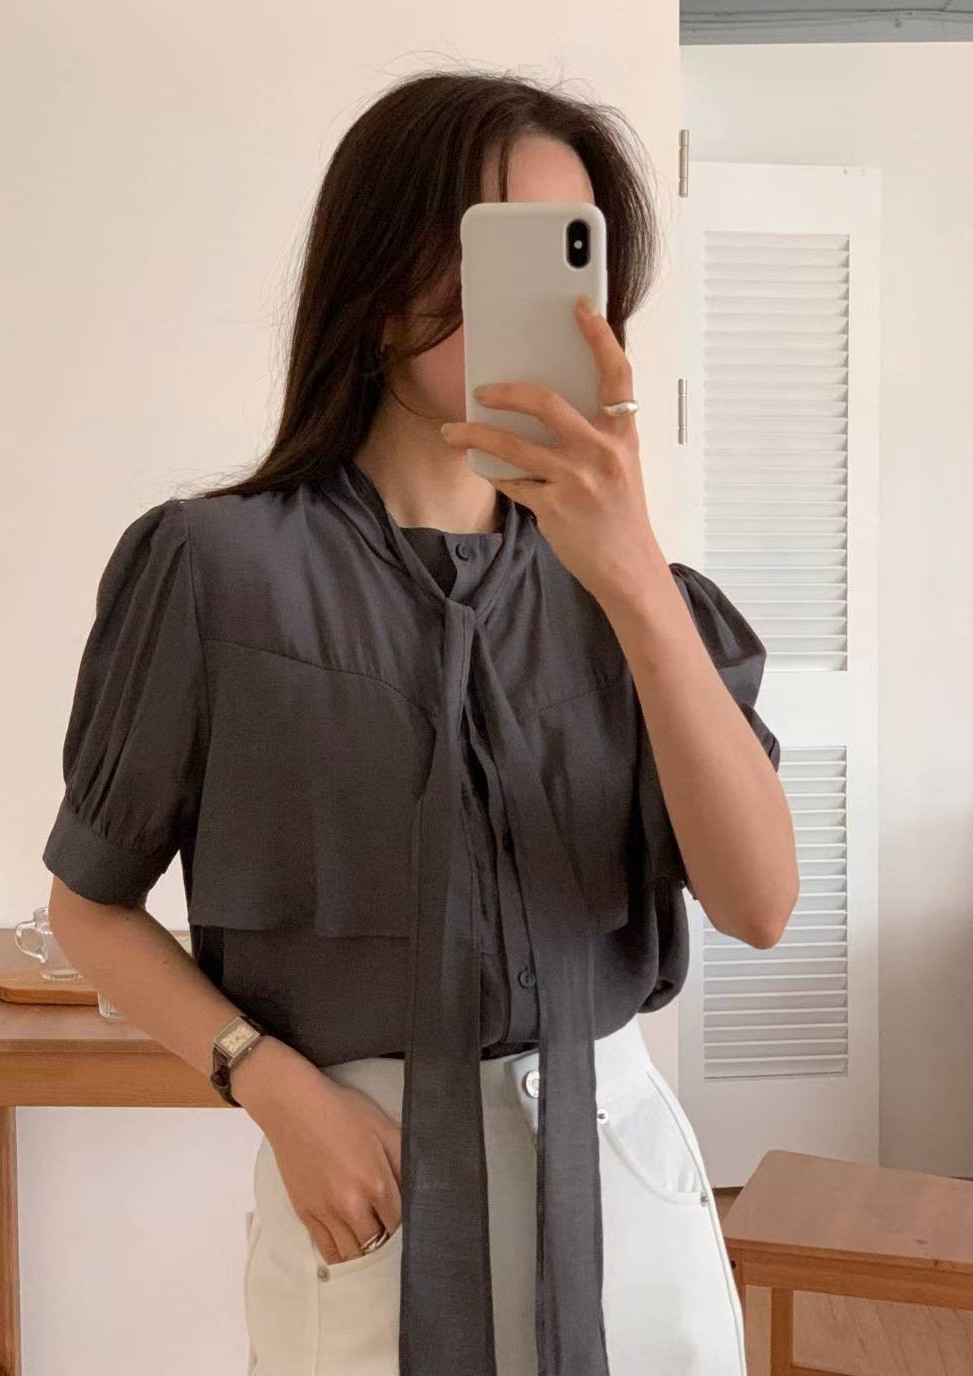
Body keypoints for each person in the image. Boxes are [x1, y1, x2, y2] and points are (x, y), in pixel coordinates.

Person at [43, 69, 798, 1376]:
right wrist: (270, 1083)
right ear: (389, 282)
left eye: (578, 258)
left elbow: (761, 902)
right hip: (368, 1185)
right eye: (511, 253)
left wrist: (633, 578)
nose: (560, 312)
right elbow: (87, 906)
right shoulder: (214, 571)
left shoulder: (641, 595)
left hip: (624, 1189)